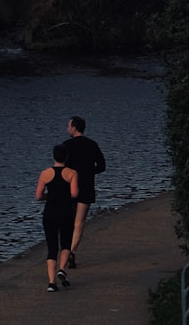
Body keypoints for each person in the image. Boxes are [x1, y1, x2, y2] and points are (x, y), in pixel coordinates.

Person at [63, 115, 105, 268]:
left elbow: (62, 168)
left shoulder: (66, 145)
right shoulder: (92, 144)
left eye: (68, 126)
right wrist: (88, 172)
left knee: (68, 221)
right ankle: (72, 252)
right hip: (86, 187)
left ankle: (66, 251)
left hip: (69, 188)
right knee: (79, 223)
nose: (67, 129)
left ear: (74, 128)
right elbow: (102, 166)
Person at [35, 143, 79, 292]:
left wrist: (49, 195)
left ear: (54, 156)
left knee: (51, 247)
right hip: (65, 212)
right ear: (66, 157)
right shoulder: (72, 173)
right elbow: (74, 194)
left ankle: (51, 282)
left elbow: (38, 196)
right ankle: (62, 269)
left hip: (50, 213)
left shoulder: (45, 174)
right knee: (66, 244)